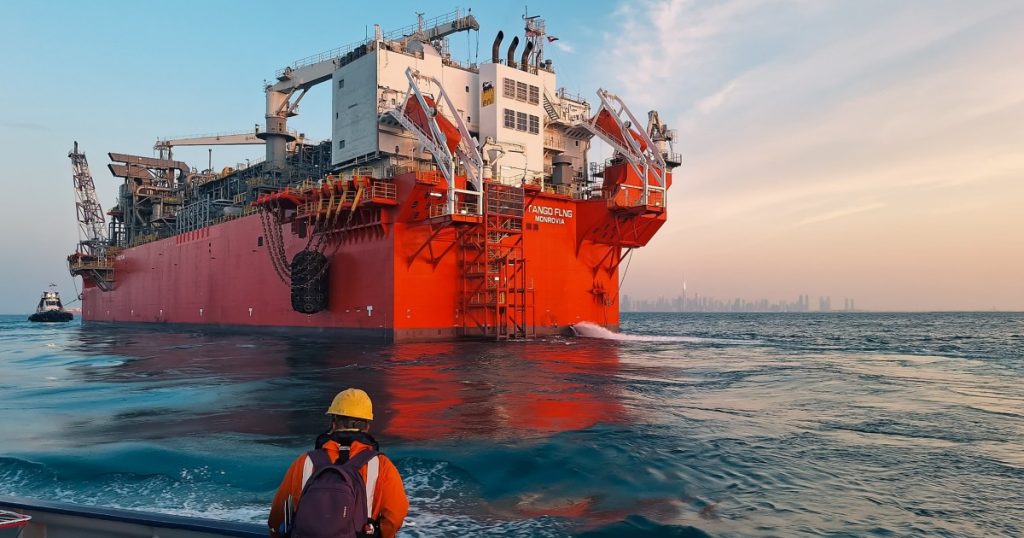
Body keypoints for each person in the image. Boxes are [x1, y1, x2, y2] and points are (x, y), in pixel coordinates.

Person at [269, 388, 408, 538]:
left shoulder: (304, 462)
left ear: (334, 423)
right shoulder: (381, 465)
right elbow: (395, 516)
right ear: (367, 426)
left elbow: (277, 516)